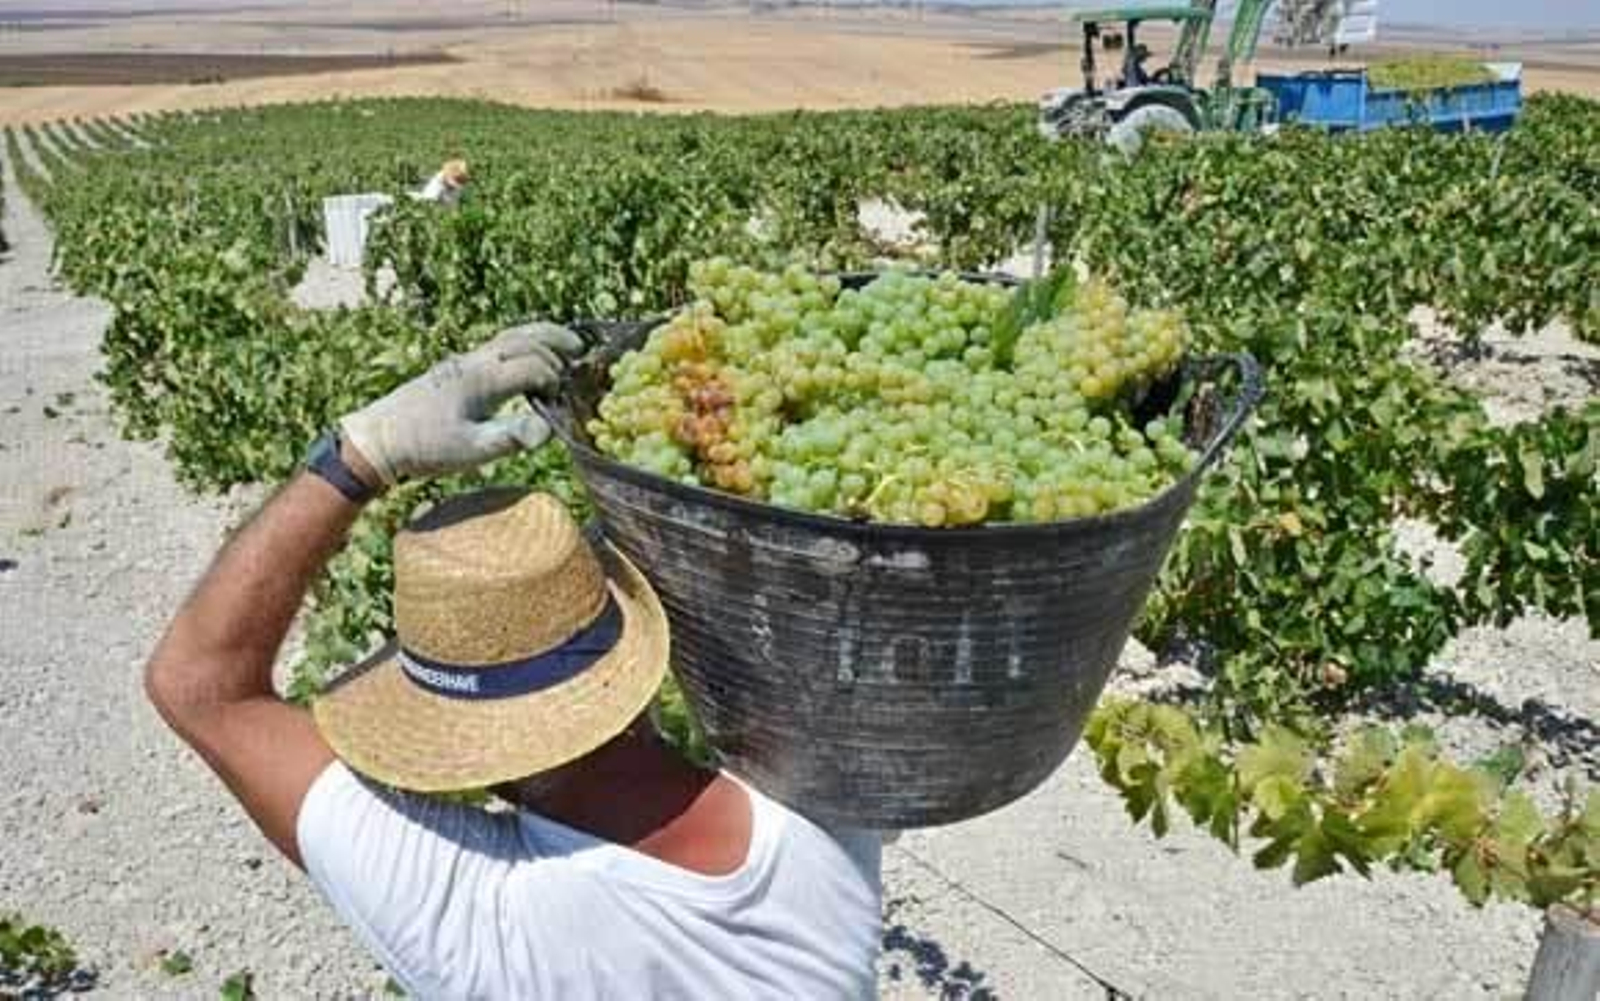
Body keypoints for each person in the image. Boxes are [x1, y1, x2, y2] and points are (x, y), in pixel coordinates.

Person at [143, 324, 884, 999]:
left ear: (453, 740)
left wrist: (364, 453)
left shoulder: (478, 917)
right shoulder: (827, 811)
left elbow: (197, 684)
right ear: (631, 641)